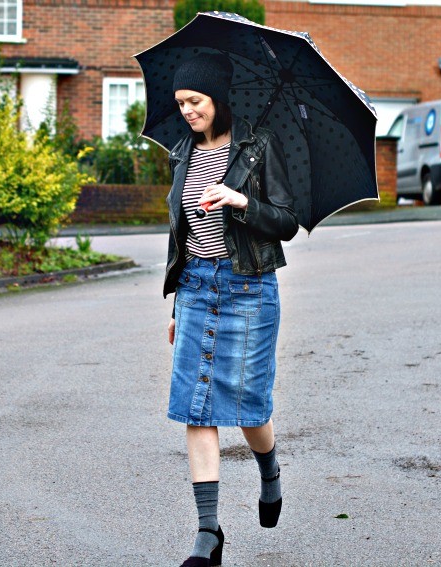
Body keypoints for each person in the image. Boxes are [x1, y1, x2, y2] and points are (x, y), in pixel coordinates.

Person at [163, 53, 299, 567]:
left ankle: (269, 470)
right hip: (197, 289)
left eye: (194, 101)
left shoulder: (258, 148)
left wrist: (240, 201)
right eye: (180, 104)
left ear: (217, 98)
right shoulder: (182, 154)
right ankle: (207, 533)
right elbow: (180, 238)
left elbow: (286, 221)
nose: (187, 112)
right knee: (196, 408)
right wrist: (178, 304)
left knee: (247, 407)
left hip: (250, 290)